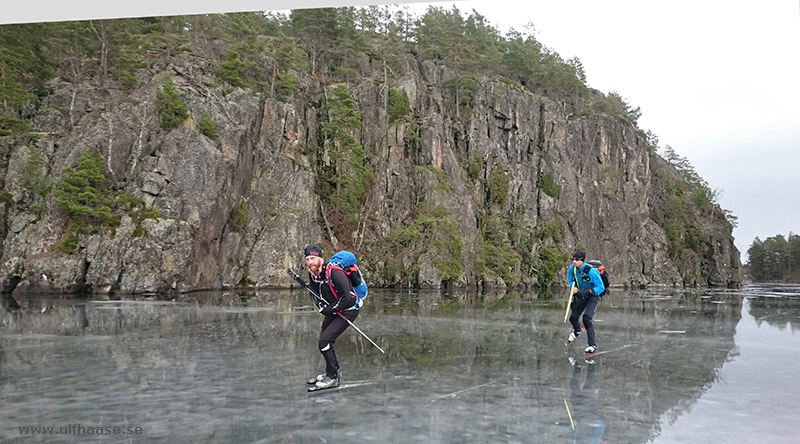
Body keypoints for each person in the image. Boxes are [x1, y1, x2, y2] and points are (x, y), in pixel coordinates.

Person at [303, 244, 359, 390]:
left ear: (321, 258)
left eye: (313, 258)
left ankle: (333, 377)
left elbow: (348, 298)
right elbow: (315, 293)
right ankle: (331, 372)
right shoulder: (313, 273)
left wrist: (330, 309)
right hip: (334, 310)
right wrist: (321, 306)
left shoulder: (334, 272)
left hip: (348, 310)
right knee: (325, 339)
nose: (310, 262)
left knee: (325, 340)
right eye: (307, 259)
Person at [566, 250, 605, 355]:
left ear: (582, 261)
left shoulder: (591, 271)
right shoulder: (572, 269)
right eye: (573, 259)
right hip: (581, 295)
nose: (574, 262)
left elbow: (600, 287)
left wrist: (586, 292)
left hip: (592, 296)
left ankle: (592, 345)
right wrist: (572, 287)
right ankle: (577, 330)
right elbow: (570, 280)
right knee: (573, 318)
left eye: (577, 260)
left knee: (586, 318)